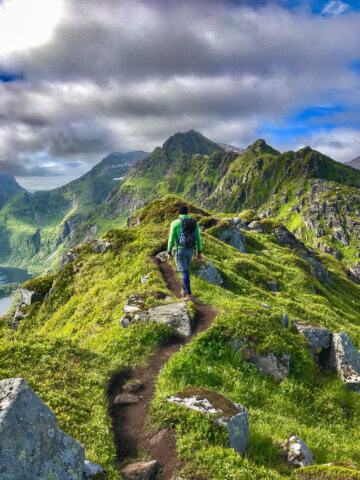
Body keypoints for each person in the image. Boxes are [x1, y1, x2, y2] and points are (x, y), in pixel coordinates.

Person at [167, 205, 202, 300]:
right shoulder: (194, 223)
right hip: (191, 250)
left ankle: (189, 295)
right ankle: (183, 289)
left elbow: (170, 239)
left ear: (179, 213)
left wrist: (169, 252)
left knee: (184, 271)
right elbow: (198, 238)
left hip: (180, 250)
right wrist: (199, 251)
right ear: (187, 213)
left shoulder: (174, 223)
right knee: (186, 270)